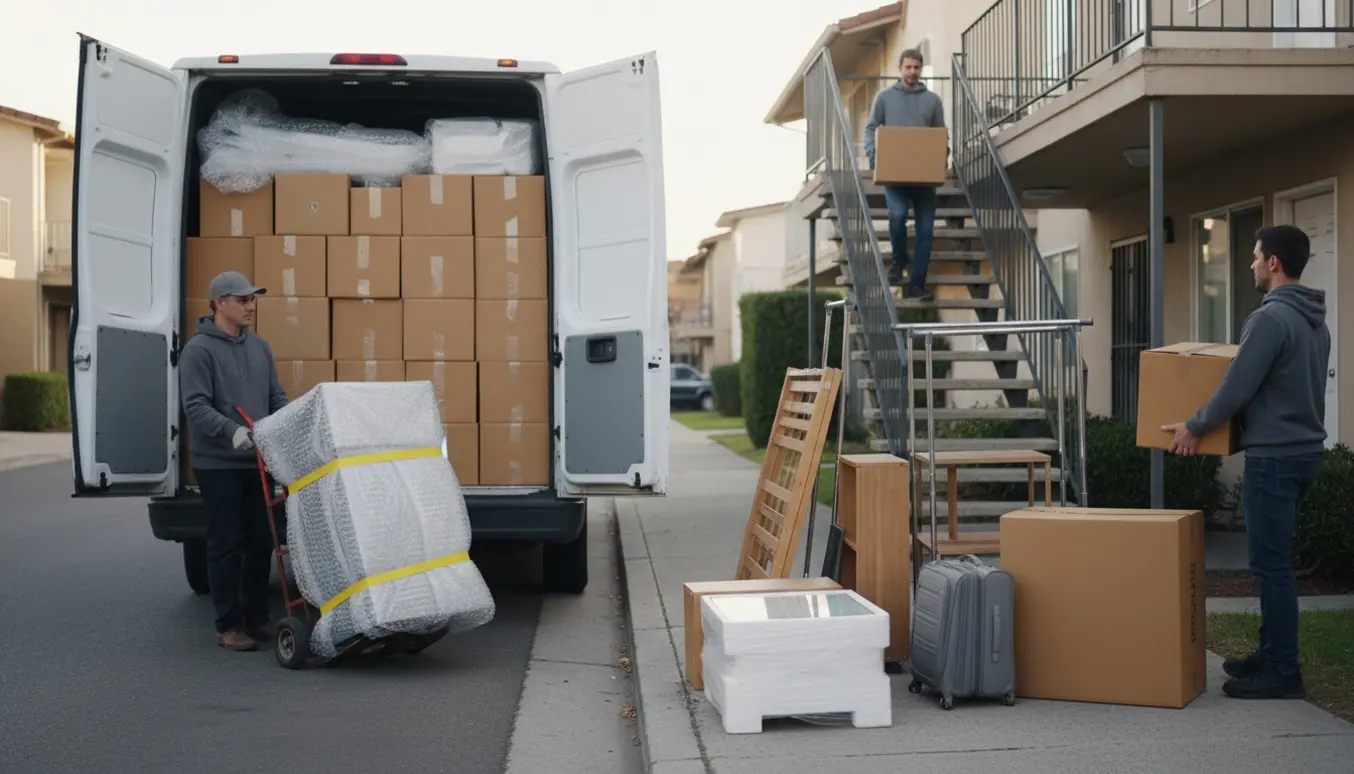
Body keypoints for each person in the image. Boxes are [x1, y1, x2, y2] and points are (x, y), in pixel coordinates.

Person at [1162, 224, 1328, 701]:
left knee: (1271, 567)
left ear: (1273, 262)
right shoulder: (1315, 321)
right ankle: (1271, 654)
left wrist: (1195, 425)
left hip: (1274, 460)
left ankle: (1283, 671)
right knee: (1275, 562)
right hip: (1304, 453)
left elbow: (1238, 385)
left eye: (1256, 256)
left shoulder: (1270, 319)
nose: (1251, 263)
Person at [180, 270, 288, 651]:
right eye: (242, 300)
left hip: (256, 461)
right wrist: (232, 431)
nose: (250, 306)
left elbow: (276, 396)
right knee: (225, 543)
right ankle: (228, 625)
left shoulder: (260, 347)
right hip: (218, 464)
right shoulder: (198, 351)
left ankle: (256, 618)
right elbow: (196, 406)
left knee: (260, 541)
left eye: (252, 299)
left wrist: (284, 425)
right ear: (218, 304)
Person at [863, 48, 947, 301]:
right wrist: (874, 156)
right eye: (908, 67)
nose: (912, 71)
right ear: (899, 69)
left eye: (916, 67)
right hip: (894, 175)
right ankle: (899, 261)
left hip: (924, 178)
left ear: (921, 69)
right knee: (897, 216)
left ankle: (916, 283)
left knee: (926, 231)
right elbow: (871, 128)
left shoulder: (932, 101)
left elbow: (940, 135)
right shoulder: (884, 98)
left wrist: (941, 159)